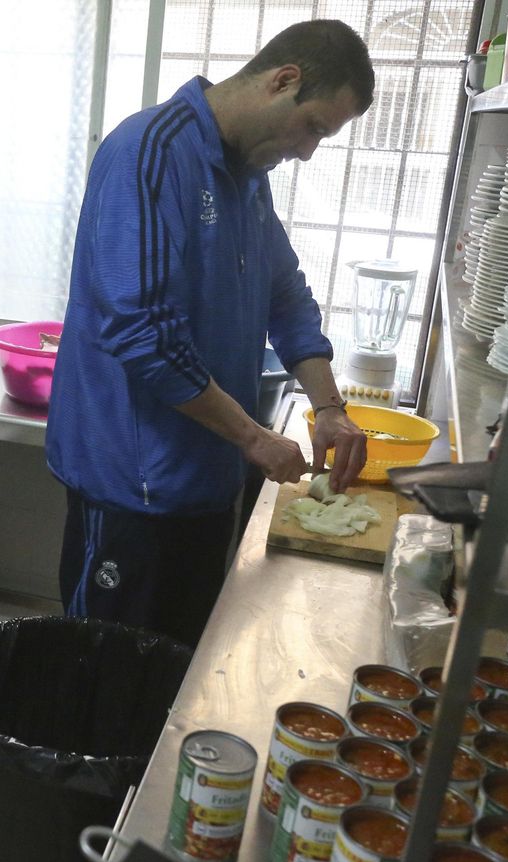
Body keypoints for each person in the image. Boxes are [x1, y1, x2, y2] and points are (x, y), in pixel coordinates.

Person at [46, 20, 374, 648]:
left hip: (205, 478)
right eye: (314, 128)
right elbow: (143, 333)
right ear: (284, 81)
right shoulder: (150, 152)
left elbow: (286, 296)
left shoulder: (248, 176)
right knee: (103, 667)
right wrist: (255, 437)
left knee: (175, 667)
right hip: (132, 488)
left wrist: (329, 407)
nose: (308, 151)